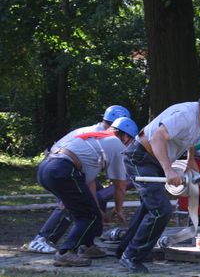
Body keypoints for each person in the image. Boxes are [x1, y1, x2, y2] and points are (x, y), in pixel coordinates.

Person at [119, 81, 200, 273]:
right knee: (160, 209)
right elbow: (157, 137)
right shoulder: (186, 115)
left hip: (154, 160)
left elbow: (192, 139)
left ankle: (125, 249)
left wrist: (189, 161)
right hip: (139, 157)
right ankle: (132, 256)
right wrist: (168, 170)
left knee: (149, 206)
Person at [27, 105, 133, 254]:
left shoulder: (94, 131)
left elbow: (90, 180)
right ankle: (45, 239)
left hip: (53, 166)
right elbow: (119, 184)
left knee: (96, 199)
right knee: (76, 208)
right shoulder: (108, 138)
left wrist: (96, 206)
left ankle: (87, 244)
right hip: (62, 168)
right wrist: (116, 209)